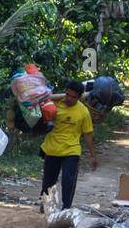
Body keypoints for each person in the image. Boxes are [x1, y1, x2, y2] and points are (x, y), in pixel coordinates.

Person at [39, 79, 97, 211]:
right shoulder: (53, 104)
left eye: (74, 97)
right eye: (68, 95)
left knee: (68, 180)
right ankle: (45, 205)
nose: (70, 99)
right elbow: (39, 104)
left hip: (72, 150)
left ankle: (66, 208)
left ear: (79, 97)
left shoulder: (83, 112)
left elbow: (88, 134)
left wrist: (93, 156)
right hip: (52, 148)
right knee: (49, 181)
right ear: (65, 92)